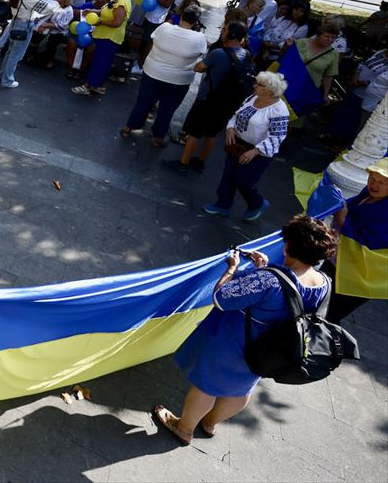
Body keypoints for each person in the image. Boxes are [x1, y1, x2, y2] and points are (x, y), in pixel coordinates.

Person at [154, 216, 333, 445]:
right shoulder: (323, 282)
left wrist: (232, 269)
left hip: (235, 341)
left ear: (289, 246)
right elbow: (289, 298)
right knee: (240, 389)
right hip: (271, 348)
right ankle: (209, 424)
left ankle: (184, 428)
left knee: (206, 386)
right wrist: (265, 269)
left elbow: (221, 298)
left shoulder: (268, 280)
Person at [201, 71, 290, 222]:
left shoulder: (279, 111)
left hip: (258, 153)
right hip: (238, 145)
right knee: (228, 177)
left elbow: (277, 137)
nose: (254, 86)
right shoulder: (253, 97)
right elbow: (237, 115)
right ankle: (223, 205)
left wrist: (255, 151)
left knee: (243, 181)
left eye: (259, 84)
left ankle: (257, 203)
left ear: (270, 91)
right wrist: (230, 128)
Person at [164, 22, 251, 174]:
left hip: (207, 99)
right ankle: (200, 161)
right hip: (227, 103)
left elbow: (198, 68)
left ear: (232, 35)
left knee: (194, 132)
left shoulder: (218, 53)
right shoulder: (246, 55)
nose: (222, 32)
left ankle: (183, 163)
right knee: (211, 133)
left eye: (224, 30)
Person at [120, 5, 208, 147]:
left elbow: (153, 38)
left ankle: (128, 128)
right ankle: (158, 138)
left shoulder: (165, 28)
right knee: (167, 109)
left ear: (181, 16)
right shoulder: (199, 38)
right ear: (196, 21)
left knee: (143, 102)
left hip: (153, 72)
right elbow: (200, 54)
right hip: (179, 80)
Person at [323, 159, 388, 325]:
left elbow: (371, 241)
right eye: (372, 178)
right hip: (340, 259)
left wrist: (343, 220)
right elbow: (350, 206)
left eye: (383, 182)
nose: (375, 185)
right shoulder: (368, 193)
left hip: (362, 274)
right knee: (318, 298)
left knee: (330, 313)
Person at [71, 0, 133, 97]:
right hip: (103, 36)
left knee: (100, 63)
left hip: (110, 38)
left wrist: (100, 22)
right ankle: (99, 86)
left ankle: (88, 86)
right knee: (102, 62)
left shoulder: (123, 3)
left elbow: (116, 22)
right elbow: (104, 10)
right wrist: (91, 10)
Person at [0, 0, 55, 89]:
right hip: (24, 25)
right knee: (16, 55)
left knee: (10, 52)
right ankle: (7, 80)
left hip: (14, 23)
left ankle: (2, 74)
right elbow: (48, 9)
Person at [292, 20, 342, 101]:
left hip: (308, 88)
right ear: (318, 35)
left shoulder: (333, 54)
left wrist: (325, 95)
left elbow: (328, 76)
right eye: (327, 36)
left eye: (333, 37)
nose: (329, 39)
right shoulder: (302, 42)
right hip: (289, 81)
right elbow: (288, 58)